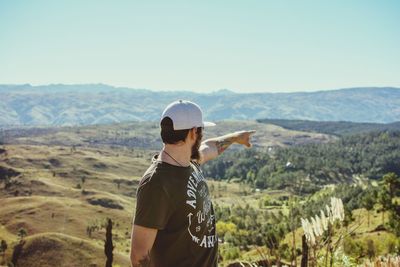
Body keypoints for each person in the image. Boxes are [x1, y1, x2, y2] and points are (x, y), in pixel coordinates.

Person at [130, 100, 256, 267]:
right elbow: (139, 256)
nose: (201, 136)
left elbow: (209, 147)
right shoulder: (157, 183)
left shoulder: (188, 161)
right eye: (200, 131)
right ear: (193, 132)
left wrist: (235, 137)